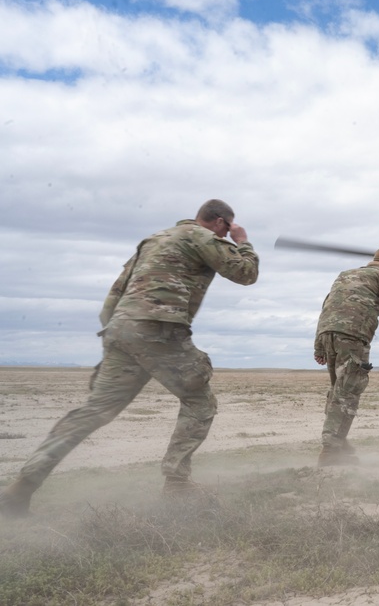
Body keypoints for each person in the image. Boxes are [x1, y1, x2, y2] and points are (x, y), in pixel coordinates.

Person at [0, 200, 259, 518]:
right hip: (157, 329)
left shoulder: (153, 240)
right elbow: (245, 273)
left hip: (119, 330)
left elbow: (113, 297)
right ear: (221, 222)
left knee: (94, 411)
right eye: (227, 227)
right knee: (200, 402)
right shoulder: (203, 237)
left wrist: (118, 340)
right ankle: (177, 485)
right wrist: (242, 242)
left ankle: (21, 488)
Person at [314, 246, 379, 467]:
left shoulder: (345, 275)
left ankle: (341, 447)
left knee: (337, 391)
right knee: (347, 394)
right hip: (352, 336)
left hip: (327, 334)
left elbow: (327, 308)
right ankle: (331, 450)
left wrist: (318, 347)